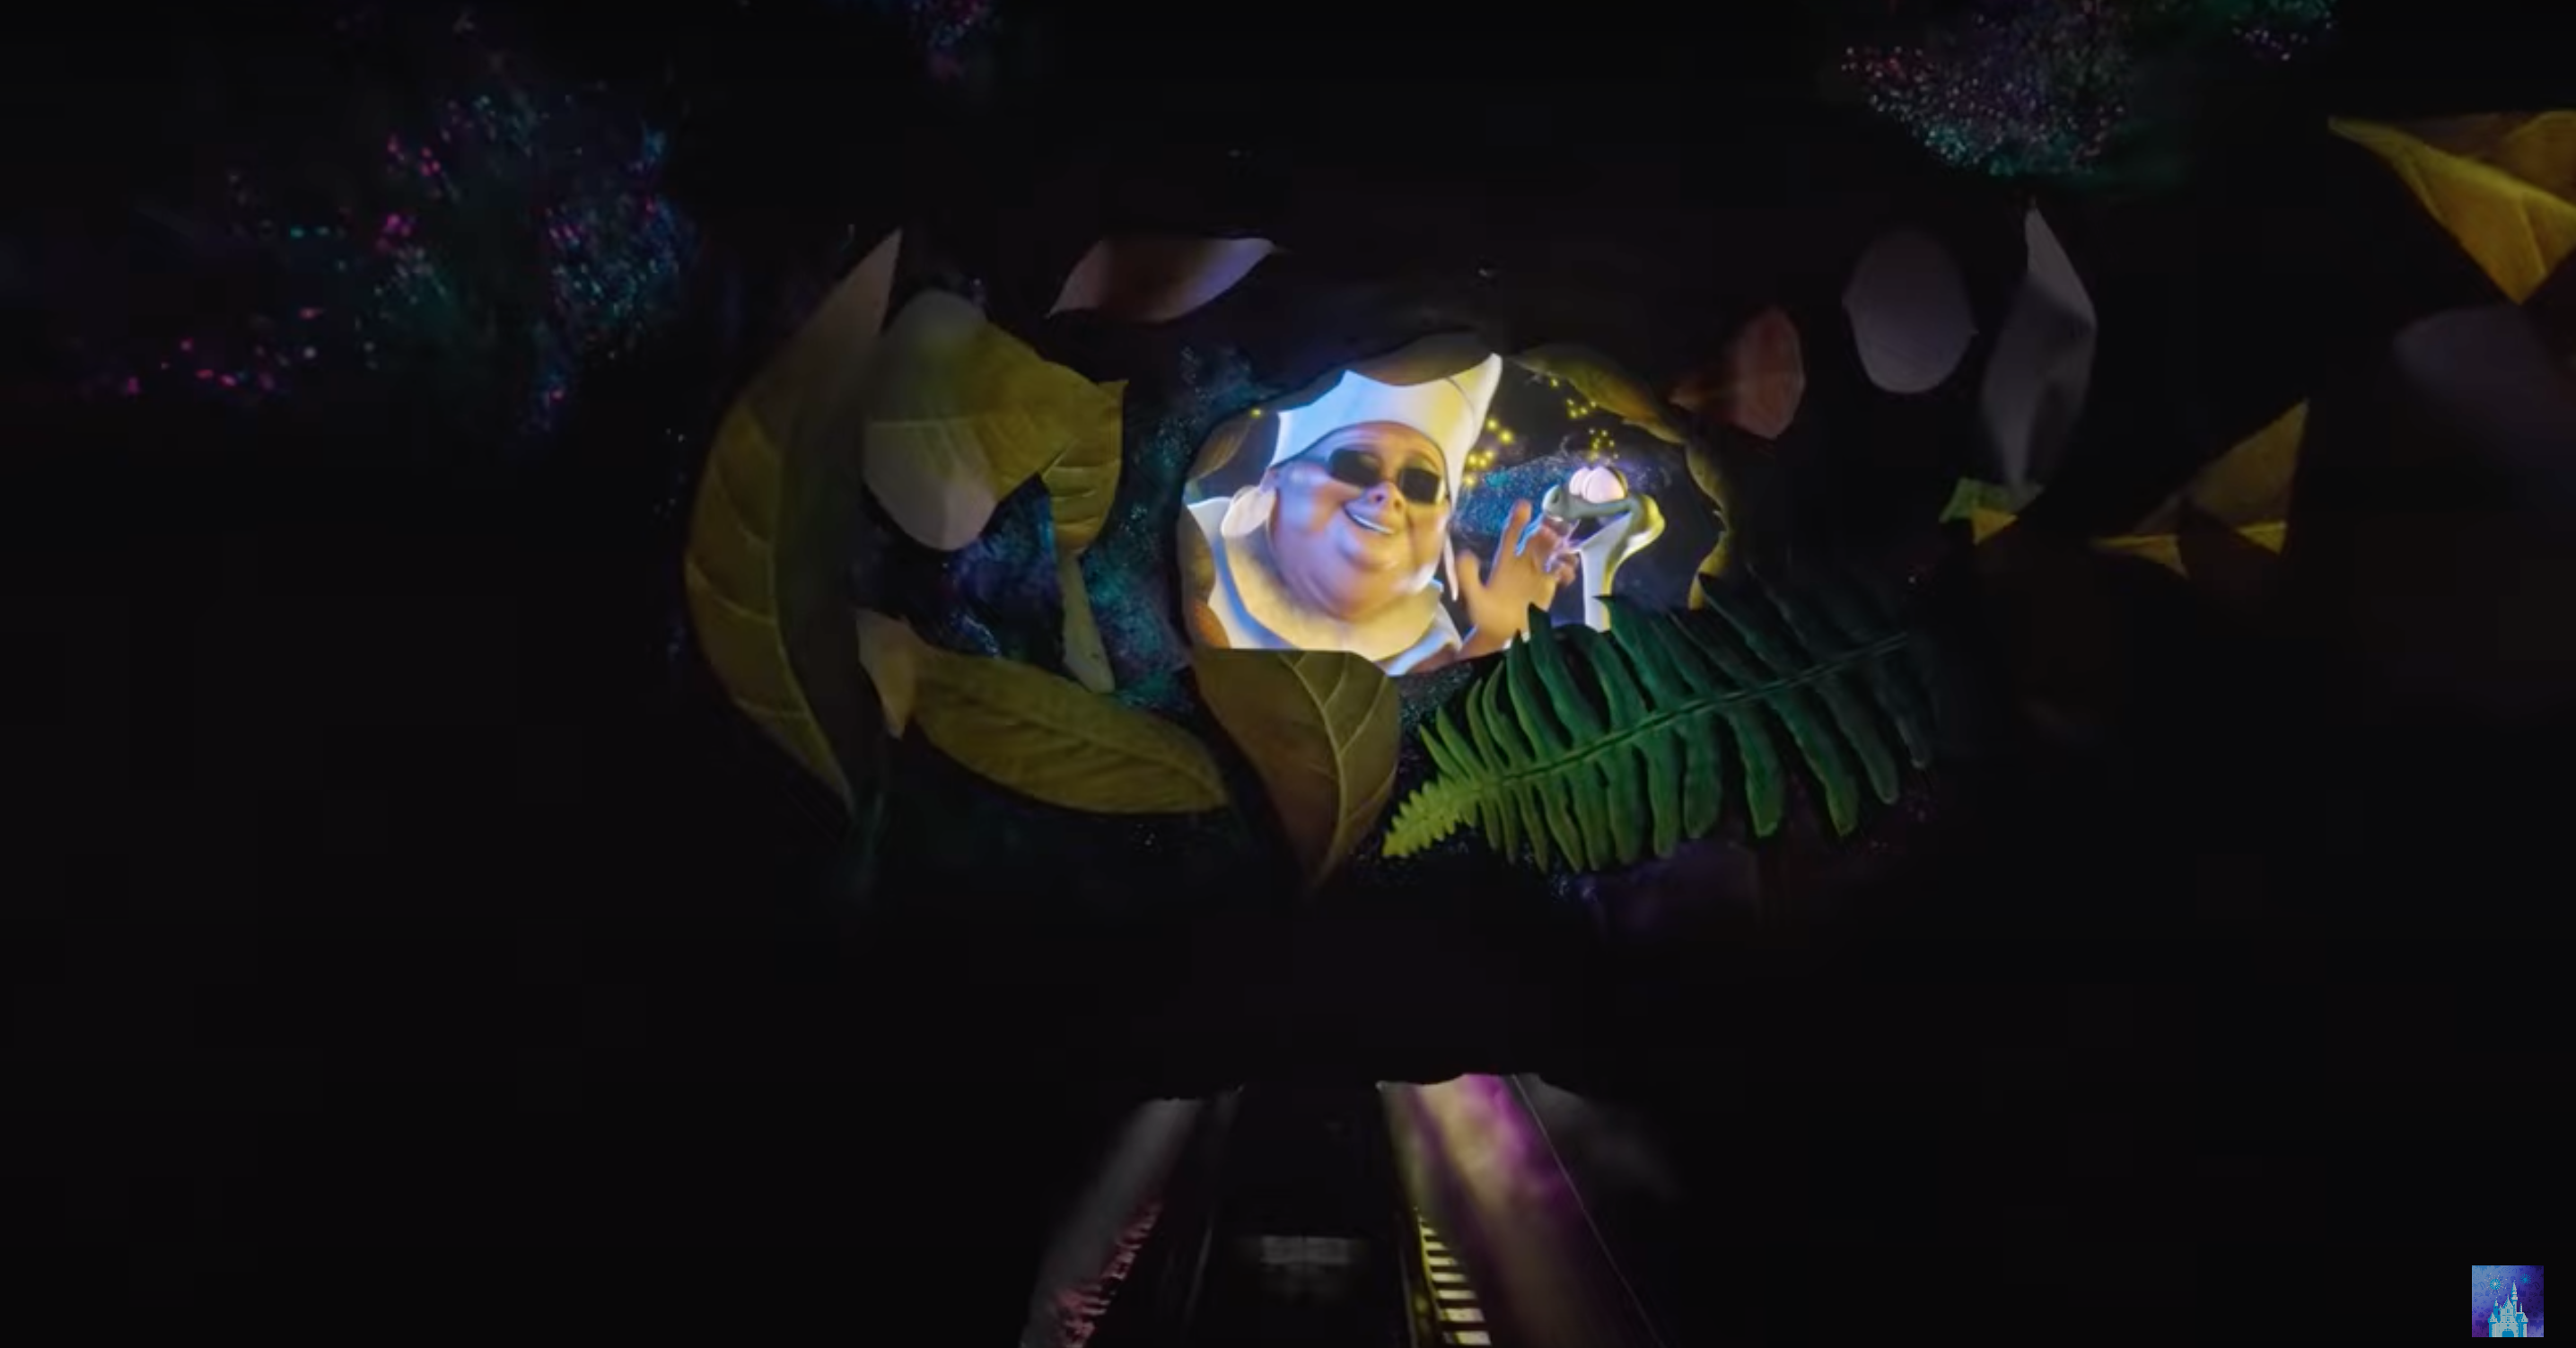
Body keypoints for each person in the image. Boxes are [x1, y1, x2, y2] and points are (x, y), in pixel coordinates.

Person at [1186, 355, 1577, 673]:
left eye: (1419, 485)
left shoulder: (1427, 643)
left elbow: (1437, 732)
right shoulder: (1194, 542)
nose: (1389, 495)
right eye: (1356, 466)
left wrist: (1495, 635)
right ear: (1276, 477)